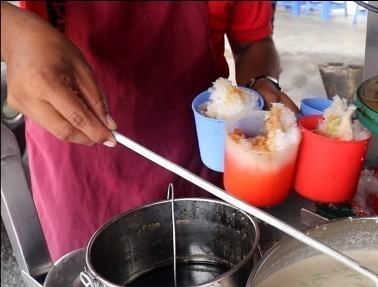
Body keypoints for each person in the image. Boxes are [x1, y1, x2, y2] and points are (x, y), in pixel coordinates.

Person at [1, 1, 299, 262]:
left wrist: (261, 80)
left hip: (195, 165)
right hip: (80, 171)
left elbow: (254, 42)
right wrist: (12, 33)